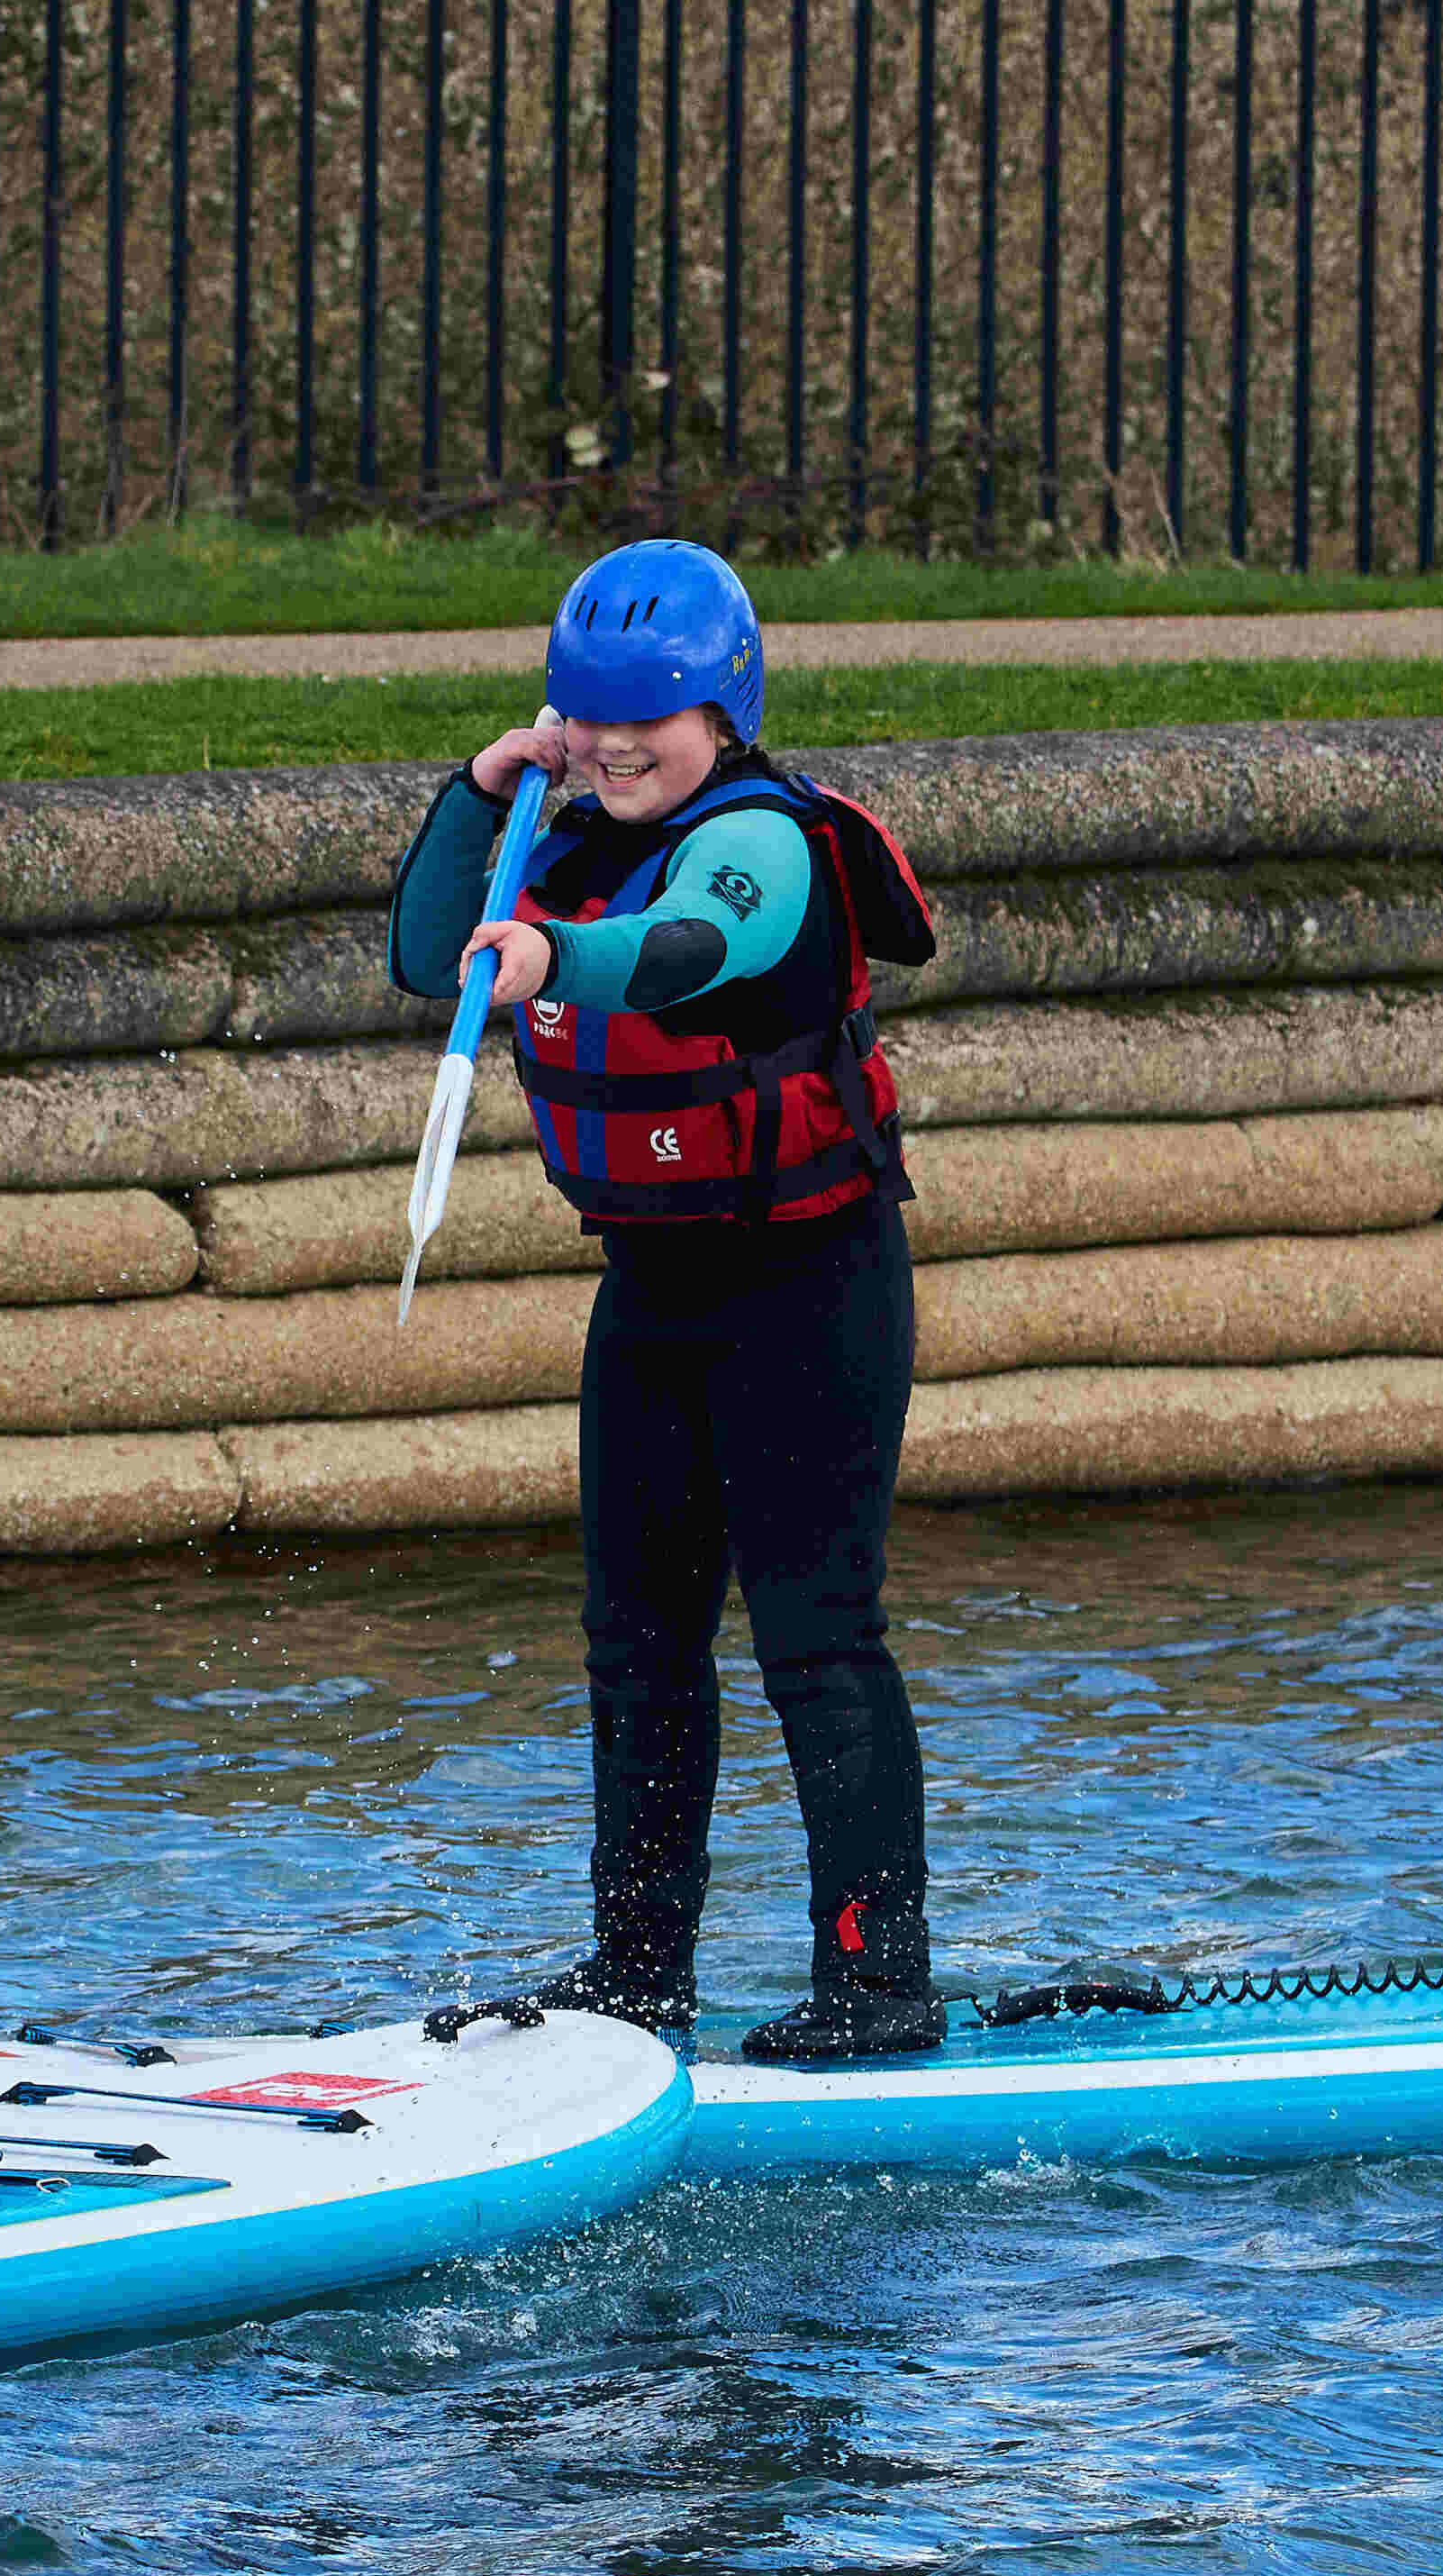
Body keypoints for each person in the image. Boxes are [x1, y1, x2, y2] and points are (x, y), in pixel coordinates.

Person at [384, 537, 950, 2062]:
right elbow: (423, 955)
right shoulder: (555, 842)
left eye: (657, 719)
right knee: (637, 1644)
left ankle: (876, 1985)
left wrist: (556, 954)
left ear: (725, 710)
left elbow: (700, 943)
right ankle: (642, 1978)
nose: (622, 747)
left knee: (816, 1638)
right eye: (591, 718)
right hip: (651, 1296)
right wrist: (481, 790)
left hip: (808, 1284)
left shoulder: (763, 836)